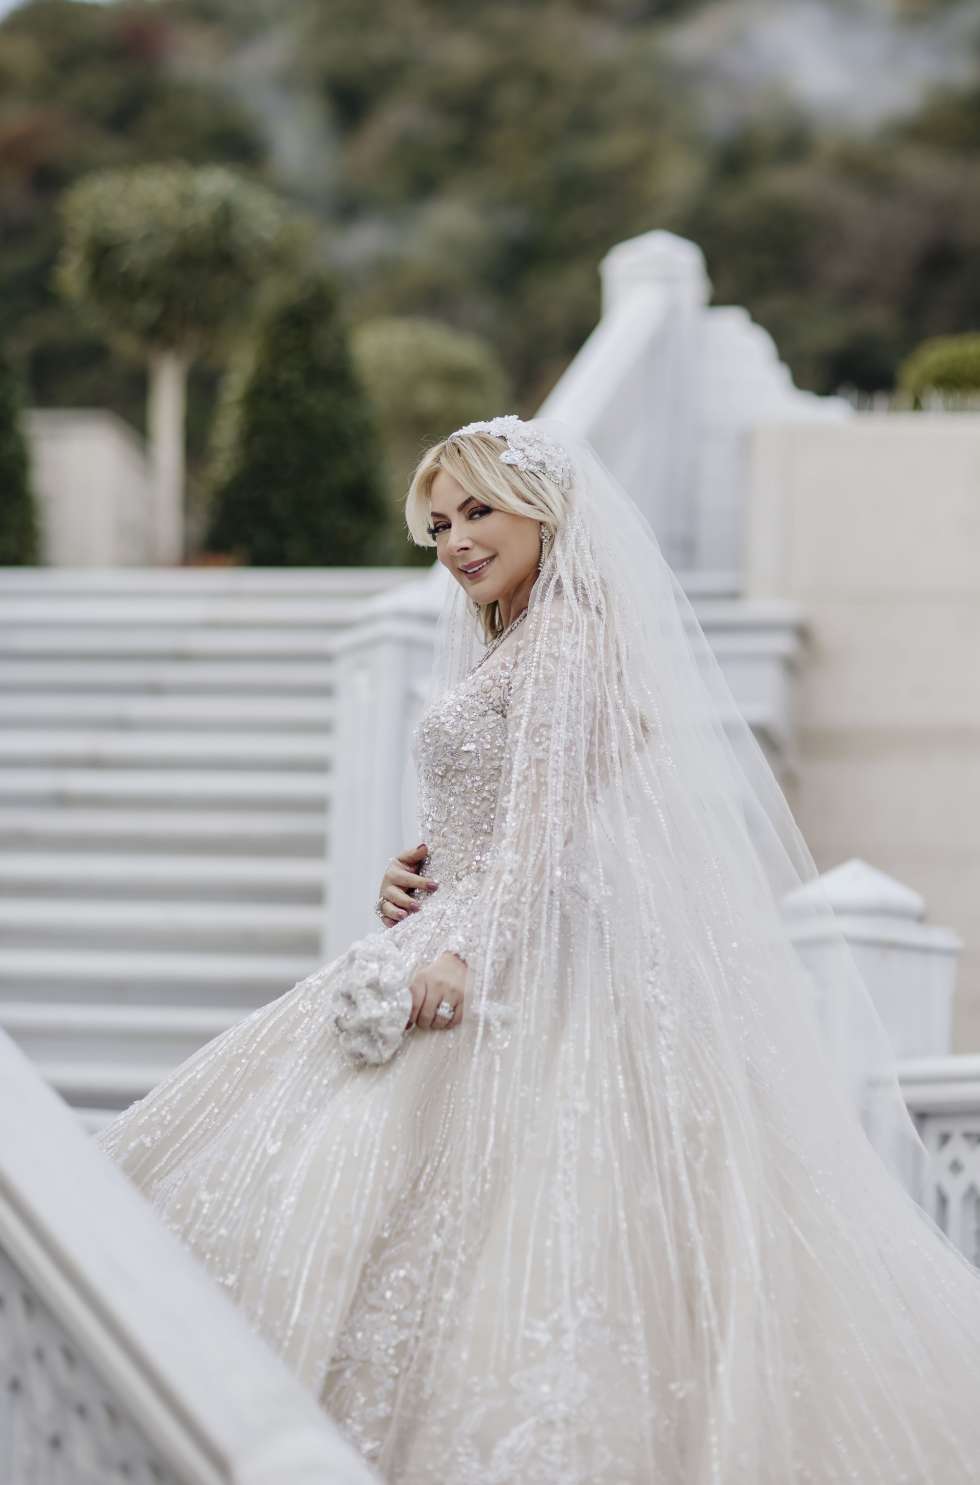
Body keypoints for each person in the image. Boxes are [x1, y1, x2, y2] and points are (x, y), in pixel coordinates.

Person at [96, 415, 980, 1483]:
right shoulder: (520, 640)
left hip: (504, 960)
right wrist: (413, 880)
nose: (456, 540)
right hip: (463, 923)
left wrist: (466, 956)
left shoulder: (564, 638)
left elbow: (544, 826)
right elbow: (498, 816)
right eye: (437, 524)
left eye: (478, 511)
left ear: (544, 511)